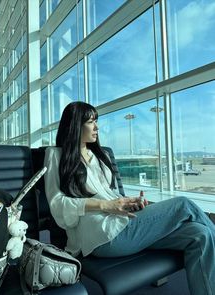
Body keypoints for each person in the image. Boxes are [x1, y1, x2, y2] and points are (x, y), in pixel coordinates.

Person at [44, 101, 215, 295]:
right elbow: (57, 203)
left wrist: (130, 203)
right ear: (75, 125)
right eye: (91, 122)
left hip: (125, 225)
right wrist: (104, 205)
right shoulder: (55, 155)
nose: (97, 127)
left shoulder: (100, 157)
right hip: (102, 235)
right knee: (183, 204)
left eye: (96, 121)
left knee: (201, 234)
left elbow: (112, 195)